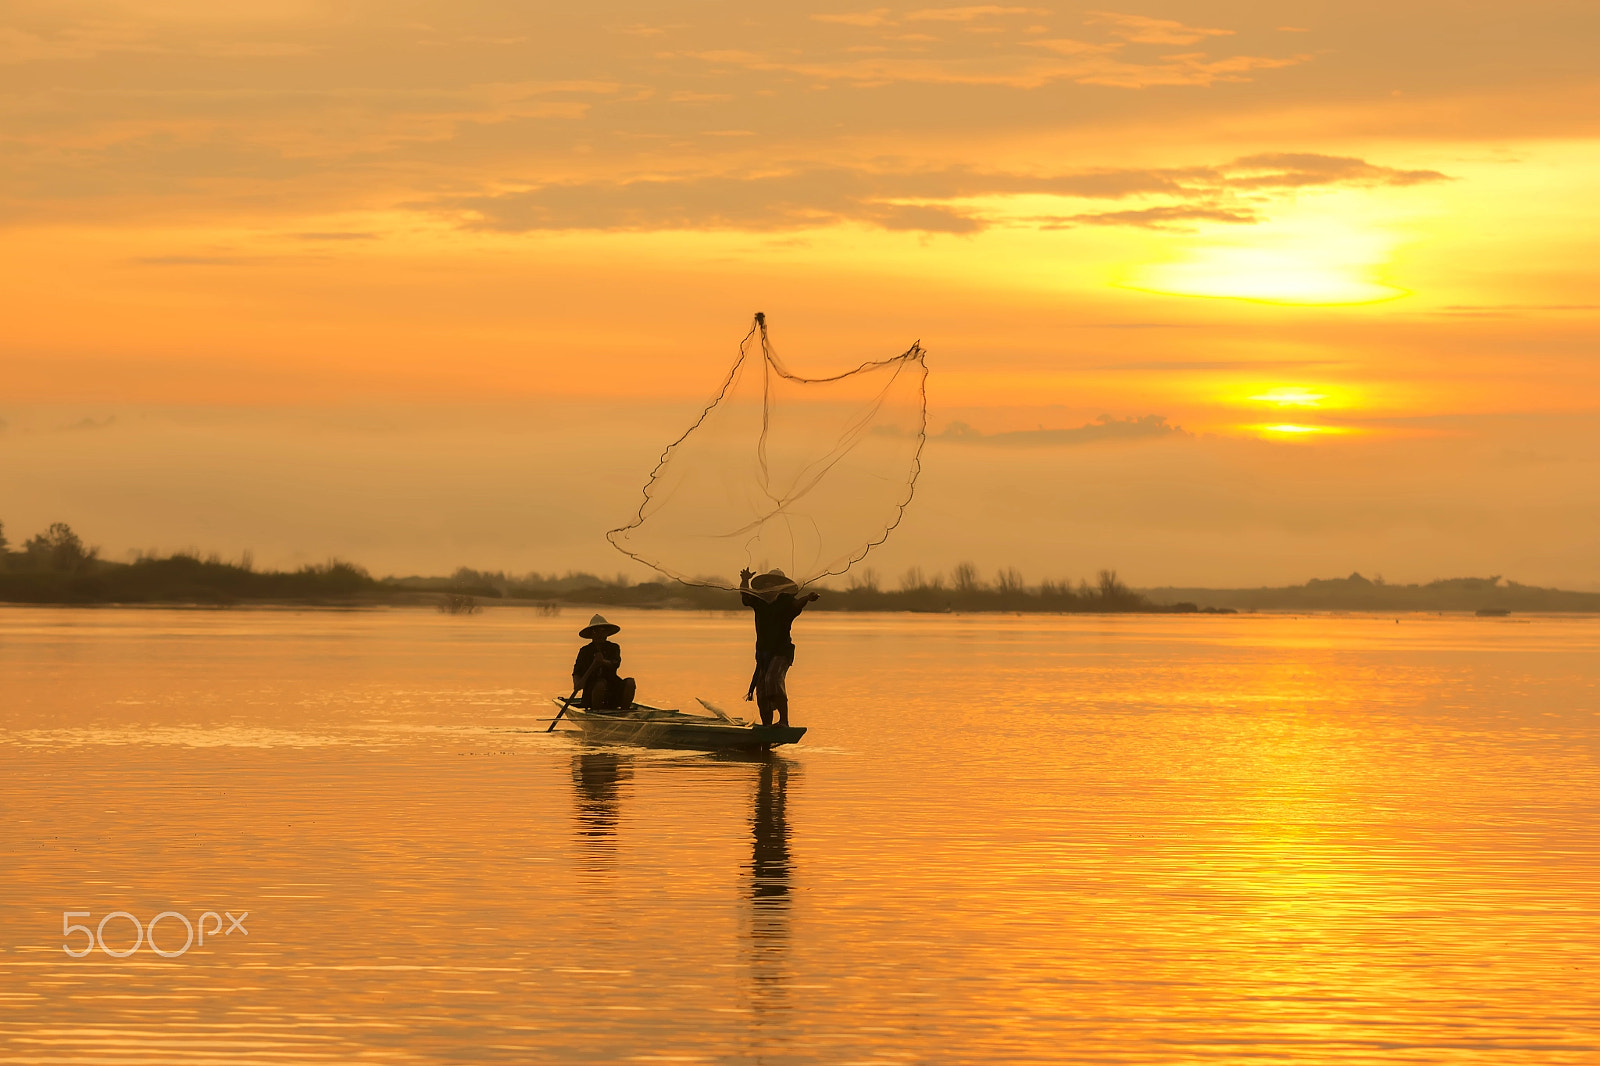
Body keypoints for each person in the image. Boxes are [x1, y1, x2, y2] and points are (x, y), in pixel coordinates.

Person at [739, 568, 820, 729]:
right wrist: (745, 580)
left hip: (782, 651)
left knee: (773, 679)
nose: (771, 585)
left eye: (774, 583)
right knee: (761, 689)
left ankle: (784, 721)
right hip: (763, 653)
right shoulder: (759, 602)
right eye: (768, 583)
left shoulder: (786, 602)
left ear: (780, 586)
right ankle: (767, 726)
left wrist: (808, 598)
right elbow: (745, 597)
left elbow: (798, 603)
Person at [571, 614, 636, 711]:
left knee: (630, 682)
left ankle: (624, 712)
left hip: (613, 690)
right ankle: (597, 712)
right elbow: (577, 673)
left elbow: (615, 664)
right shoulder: (585, 651)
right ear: (592, 634)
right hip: (592, 692)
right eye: (596, 631)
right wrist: (577, 683)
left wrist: (602, 661)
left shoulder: (613, 647)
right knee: (600, 684)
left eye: (603, 631)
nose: (600, 634)